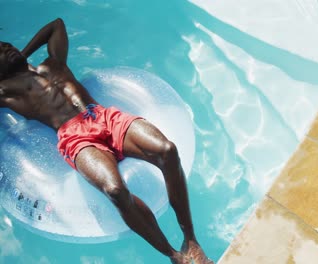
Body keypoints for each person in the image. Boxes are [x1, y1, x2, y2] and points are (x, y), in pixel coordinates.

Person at [0, 18, 212, 264]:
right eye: (0, 52)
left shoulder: (53, 63)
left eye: (6, 44)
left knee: (167, 151)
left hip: (103, 116)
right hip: (75, 137)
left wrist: (22, 55)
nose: (6, 48)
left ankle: (191, 239)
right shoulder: (6, 91)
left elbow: (56, 26)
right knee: (116, 191)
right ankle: (174, 255)